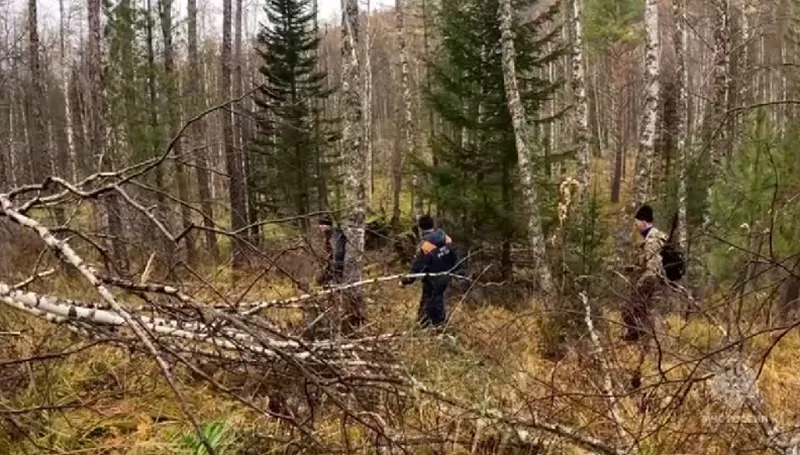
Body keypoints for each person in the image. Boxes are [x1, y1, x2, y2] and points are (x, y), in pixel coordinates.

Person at [400, 215, 460, 328]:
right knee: (436, 299)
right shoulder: (446, 238)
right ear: (433, 225)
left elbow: (417, 267)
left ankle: (433, 326)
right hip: (447, 274)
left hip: (432, 278)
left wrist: (405, 281)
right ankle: (433, 325)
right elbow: (454, 256)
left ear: (420, 228)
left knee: (431, 301)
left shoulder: (425, 246)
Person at [622, 204, 668, 342]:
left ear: (643, 221)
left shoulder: (652, 240)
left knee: (628, 310)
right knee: (643, 315)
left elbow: (652, 269)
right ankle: (643, 341)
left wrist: (640, 285)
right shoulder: (655, 238)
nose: (636, 226)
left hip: (653, 285)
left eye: (636, 223)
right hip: (658, 284)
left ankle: (639, 338)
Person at [315, 214, 346, 287]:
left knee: (327, 283)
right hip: (330, 264)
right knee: (319, 279)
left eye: (324, 224)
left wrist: (335, 272)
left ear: (329, 225)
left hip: (338, 265)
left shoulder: (336, 235)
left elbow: (338, 253)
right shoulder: (327, 235)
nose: (321, 227)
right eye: (320, 224)